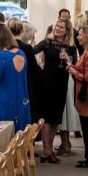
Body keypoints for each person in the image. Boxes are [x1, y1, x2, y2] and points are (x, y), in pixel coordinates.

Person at [35, 18, 78, 161]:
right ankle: (47, 150)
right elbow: (32, 52)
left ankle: (49, 149)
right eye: (57, 26)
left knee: (56, 117)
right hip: (47, 82)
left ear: (67, 30)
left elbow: (75, 64)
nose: (58, 29)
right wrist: (38, 68)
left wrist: (68, 59)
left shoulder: (71, 46)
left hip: (61, 83)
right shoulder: (47, 42)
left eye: (61, 27)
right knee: (47, 116)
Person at [0, 22, 30, 131]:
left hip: (2, 104)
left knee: (1, 138)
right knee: (17, 139)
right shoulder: (21, 53)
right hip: (19, 101)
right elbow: (9, 73)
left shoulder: (1, 56)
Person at [67, 25, 88, 170]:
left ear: (87, 36)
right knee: (86, 126)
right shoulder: (86, 52)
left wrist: (72, 70)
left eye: (80, 35)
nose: (78, 37)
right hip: (85, 92)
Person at [9, 19, 43, 145]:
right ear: (22, 31)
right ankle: (28, 144)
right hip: (27, 83)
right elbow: (34, 69)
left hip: (12, 84)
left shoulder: (6, 47)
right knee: (27, 113)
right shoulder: (26, 48)